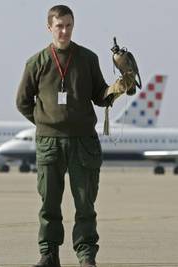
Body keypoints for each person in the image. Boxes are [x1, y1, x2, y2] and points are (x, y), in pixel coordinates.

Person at [16, 5, 134, 267]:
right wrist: (45, 124)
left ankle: (86, 257)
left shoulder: (87, 59)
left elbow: (100, 96)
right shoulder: (36, 62)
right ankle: (48, 255)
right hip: (49, 144)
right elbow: (22, 101)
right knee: (49, 204)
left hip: (83, 143)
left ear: (73, 25)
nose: (64, 30)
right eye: (59, 25)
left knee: (85, 204)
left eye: (68, 25)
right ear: (49, 27)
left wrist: (119, 87)